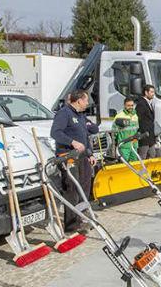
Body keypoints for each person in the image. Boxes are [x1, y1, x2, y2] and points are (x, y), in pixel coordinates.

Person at [50, 89, 98, 232]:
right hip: (68, 156)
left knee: (84, 187)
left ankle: (82, 218)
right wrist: (72, 142)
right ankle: (71, 225)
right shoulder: (64, 113)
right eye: (86, 100)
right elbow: (55, 133)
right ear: (79, 101)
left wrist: (90, 153)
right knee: (72, 189)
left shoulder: (81, 115)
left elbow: (86, 135)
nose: (88, 103)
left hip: (82, 157)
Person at [112, 97, 139, 162]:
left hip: (134, 145)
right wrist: (114, 145)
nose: (130, 107)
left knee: (134, 165)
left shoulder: (135, 115)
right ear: (124, 106)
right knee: (124, 165)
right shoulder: (119, 116)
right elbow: (114, 132)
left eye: (132, 105)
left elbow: (136, 129)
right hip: (124, 146)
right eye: (128, 105)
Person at [136, 84, 157, 159]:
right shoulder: (141, 104)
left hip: (151, 136)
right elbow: (139, 119)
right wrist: (142, 134)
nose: (153, 94)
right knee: (142, 156)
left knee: (152, 155)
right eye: (151, 92)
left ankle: (150, 171)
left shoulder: (149, 103)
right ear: (146, 92)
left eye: (153, 92)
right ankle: (141, 171)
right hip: (144, 136)